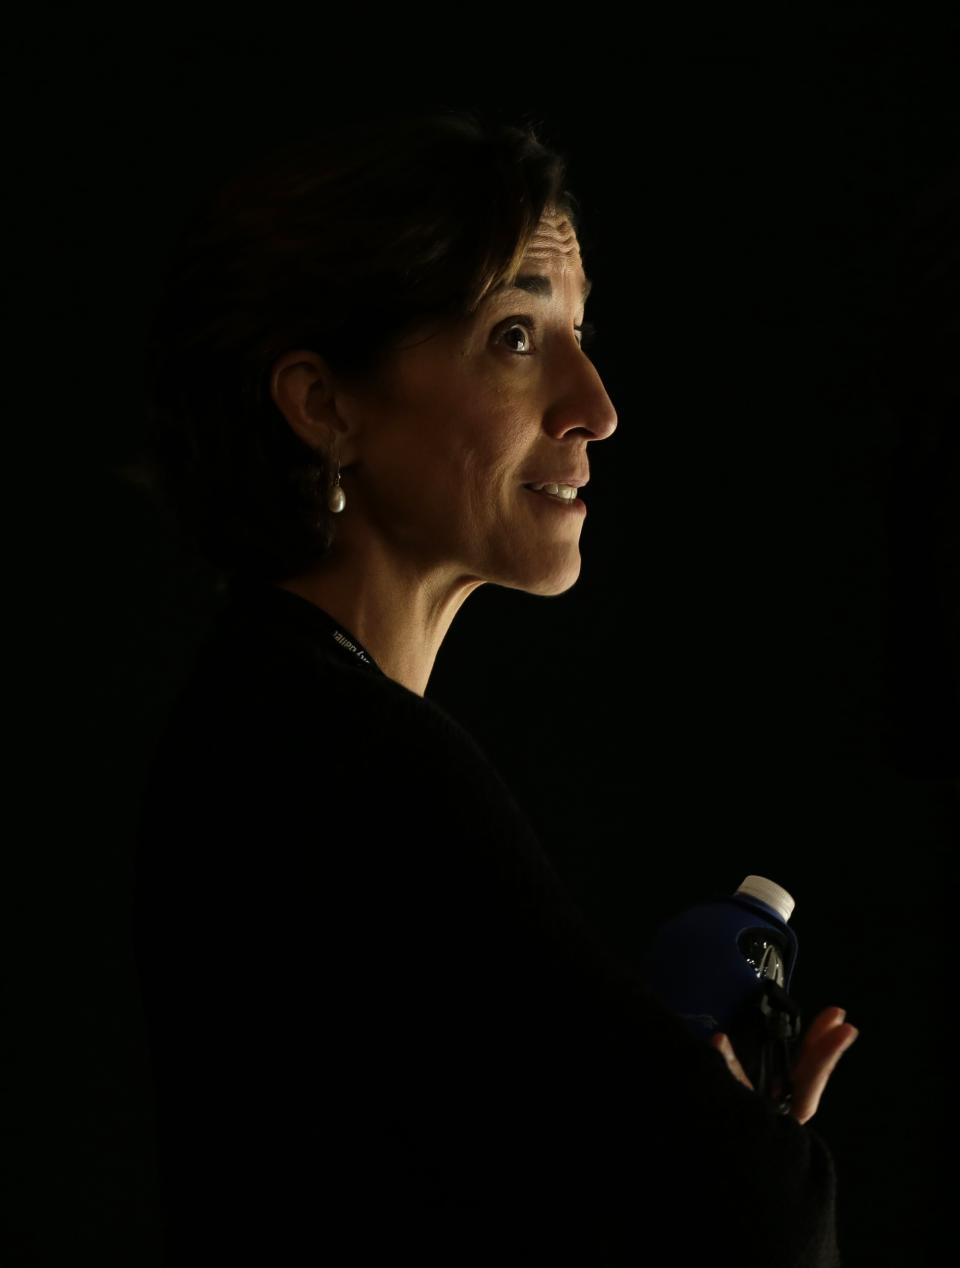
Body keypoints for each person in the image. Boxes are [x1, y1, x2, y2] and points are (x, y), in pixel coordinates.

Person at [126, 107, 853, 1265]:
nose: (596, 406)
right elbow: (756, 1218)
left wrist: (682, 1116)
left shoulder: (278, 716)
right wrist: (725, 1144)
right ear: (325, 405)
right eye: (517, 336)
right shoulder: (349, 760)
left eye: (580, 330)